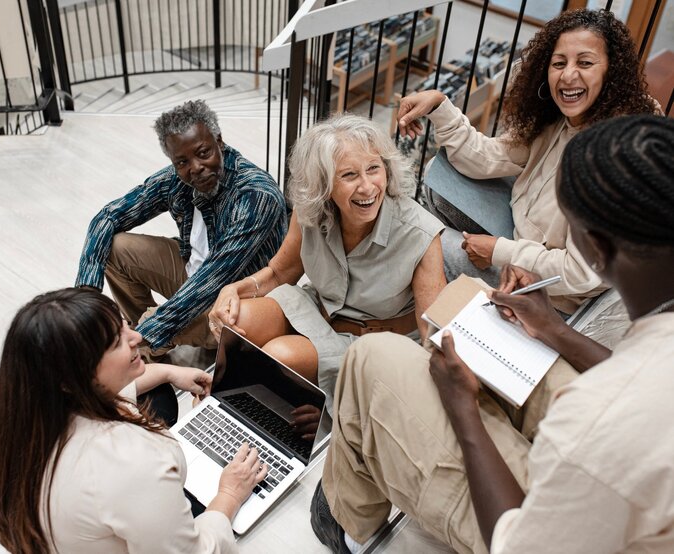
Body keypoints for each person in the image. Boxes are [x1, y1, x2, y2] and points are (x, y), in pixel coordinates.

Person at [311, 114, 674, 554]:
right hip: (633, 472)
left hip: (538, 527)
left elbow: (515, 543)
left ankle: (350, 527)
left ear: (593, 248)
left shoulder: (589, 416)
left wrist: (465, 413)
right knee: (527, 369)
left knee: (371, 357)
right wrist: (556, 331)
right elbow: (633, 378)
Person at [398, 8, 658, 315]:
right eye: (558, 63)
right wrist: (440, 106)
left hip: (551, 293)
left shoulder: (619, 155)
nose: (568, 74)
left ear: (611, 71)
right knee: (439, 183)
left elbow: (579, 274)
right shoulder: (558, 120)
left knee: (426, 242)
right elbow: (487, 158)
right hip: (524, 240)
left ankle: (433, 327)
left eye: (585, 62)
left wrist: (500, 252)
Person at [0, 287, 267, 553]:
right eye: (117, 342)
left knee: (159, 394)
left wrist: (170, 373)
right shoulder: (132, 463)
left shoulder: (21, 419)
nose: (137, 338)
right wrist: (228, 494)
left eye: (124, 325)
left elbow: (121, 392)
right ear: (76, 377)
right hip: (141, 512)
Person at [208, 113, 446, 403]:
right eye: (349, 175)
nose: (368, 187)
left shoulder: (421, 234)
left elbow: (431, 331)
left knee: (277, 356)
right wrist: (232, 290)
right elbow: (281, 273)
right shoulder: (310, 210)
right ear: (324, 183)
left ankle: (267, 410)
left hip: (369, 343)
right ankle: (227, 406)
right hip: (316, 310)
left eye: (374, 168)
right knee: (237, 319)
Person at [75, 99, 287, 358]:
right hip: (195, 273)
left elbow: (214, 279)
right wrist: (86, 294)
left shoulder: (255, 194)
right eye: (182, 161)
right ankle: (148, 340)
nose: (195, 168)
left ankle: (143, 345)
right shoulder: (175, 179)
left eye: (203, 153)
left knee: (146, 330)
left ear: (219, 141)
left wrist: (151, 328)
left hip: (239, 299)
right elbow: (108, 217)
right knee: (115, 246)